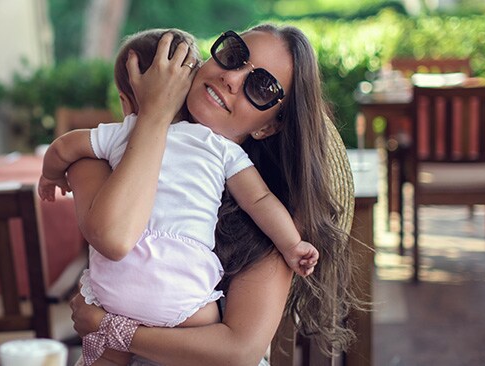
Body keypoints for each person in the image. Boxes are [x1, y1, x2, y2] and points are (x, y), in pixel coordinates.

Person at [63, 24, 363, 365]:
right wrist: (154, 117)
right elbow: (112, 236)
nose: (232, 79)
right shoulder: (100, 157)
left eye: (262, 87)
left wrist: (110, 327)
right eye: (233, 56)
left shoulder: (268, 225)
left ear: (267, 126)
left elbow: (239, 351)